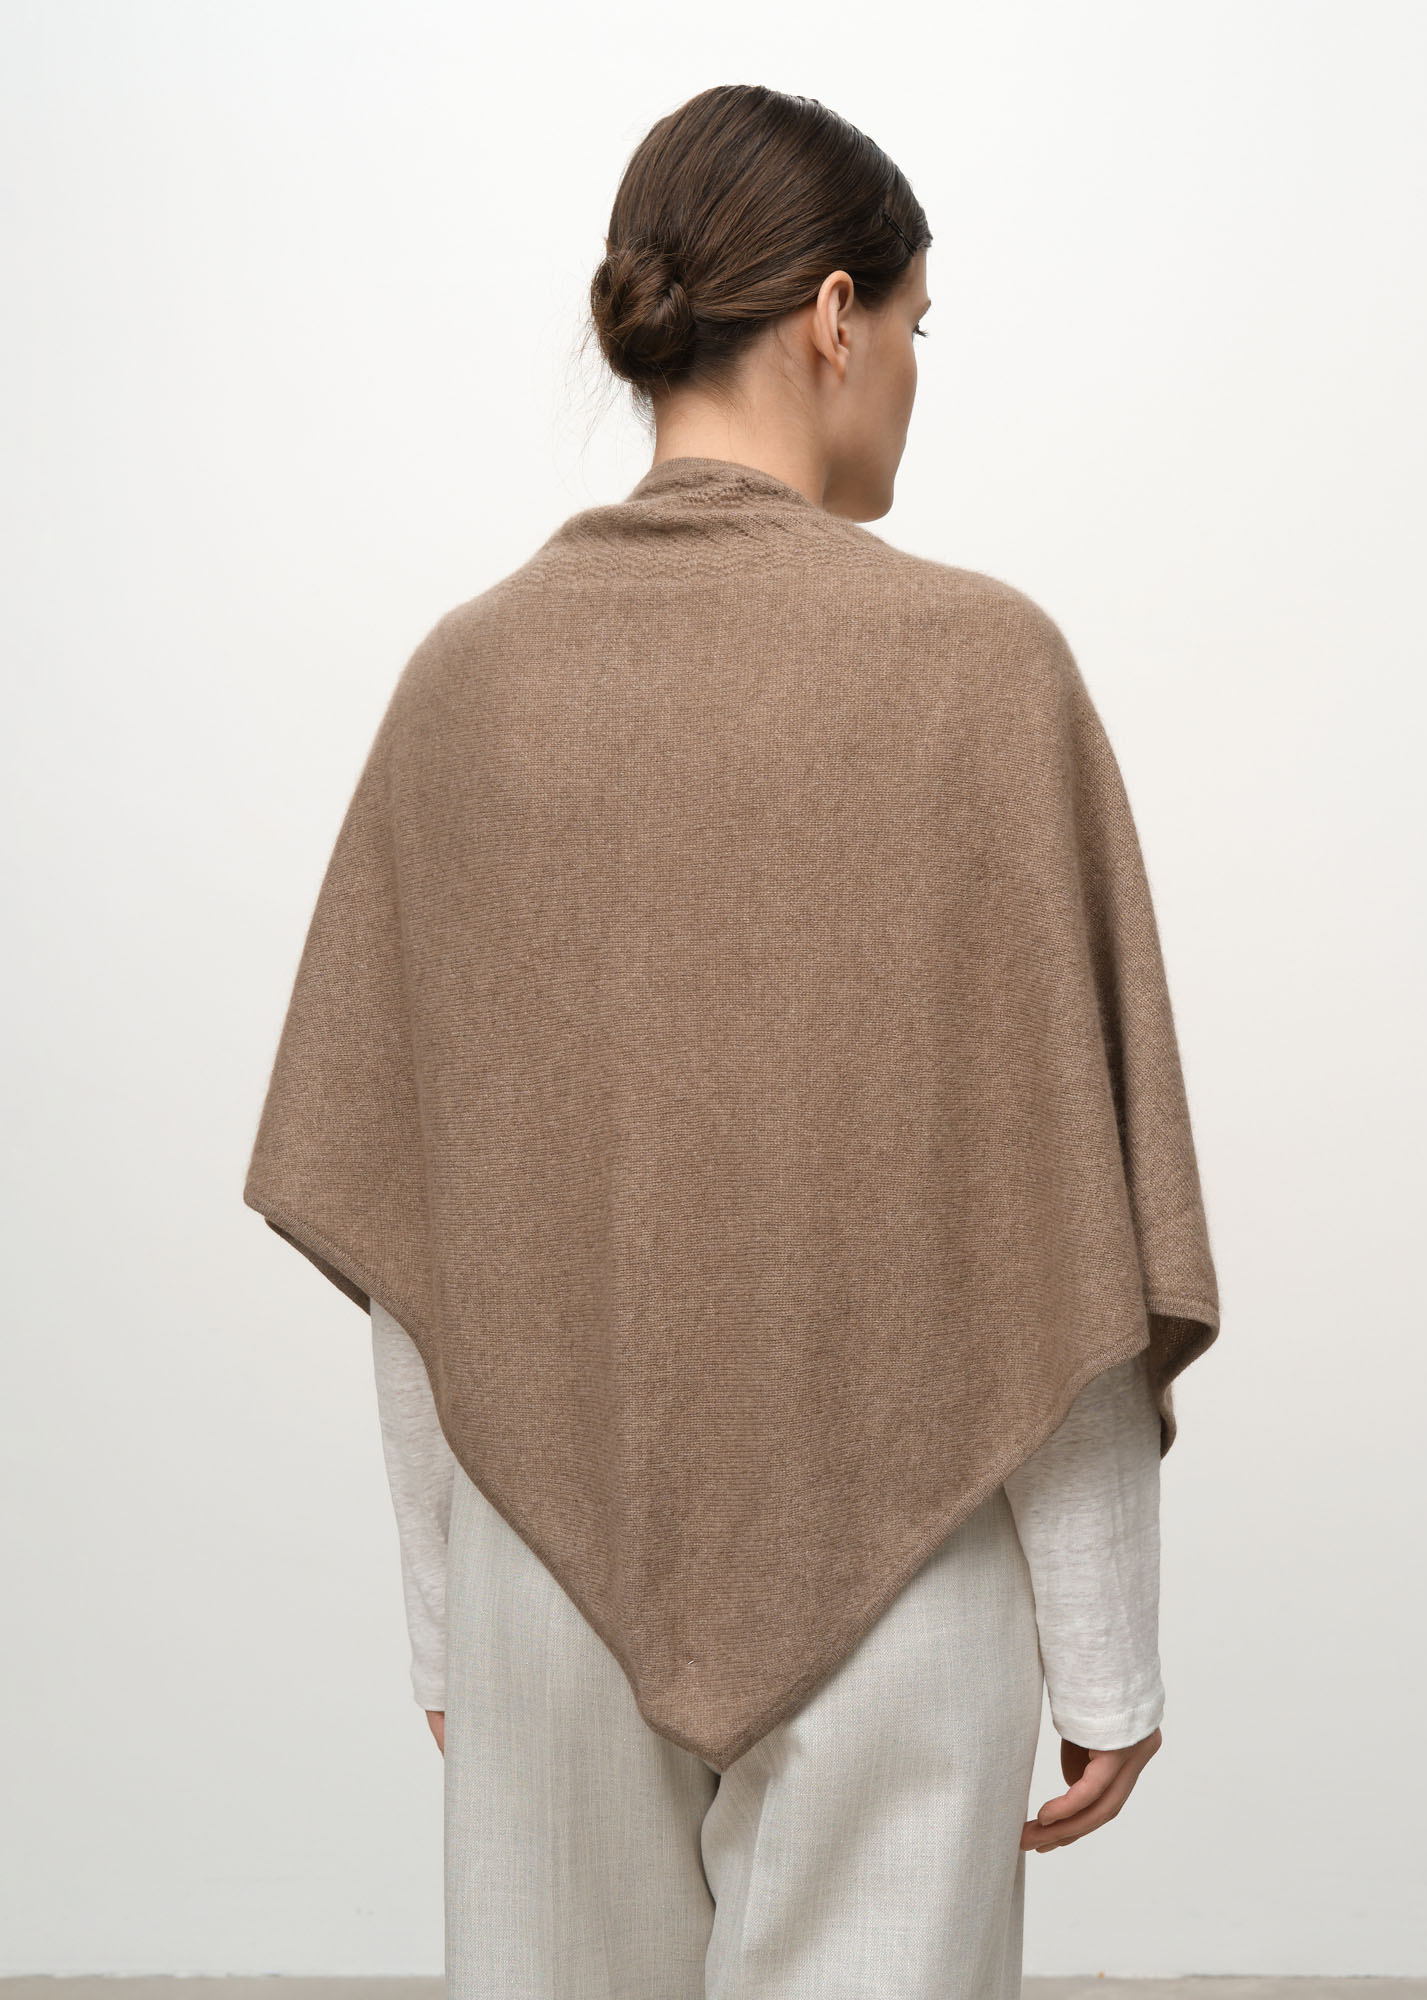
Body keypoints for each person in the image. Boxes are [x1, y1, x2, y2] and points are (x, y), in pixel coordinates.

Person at [245, 82, 1219, 2000]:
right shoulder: (985, 674)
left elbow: (416, 1231)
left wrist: (449, 1621)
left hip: (547, 1560)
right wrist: (1106, 1649)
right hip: (910, 1555)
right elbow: (1058, 1220)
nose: (916, 375)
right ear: (836, 317)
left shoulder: (466, 684)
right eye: (919, 326)